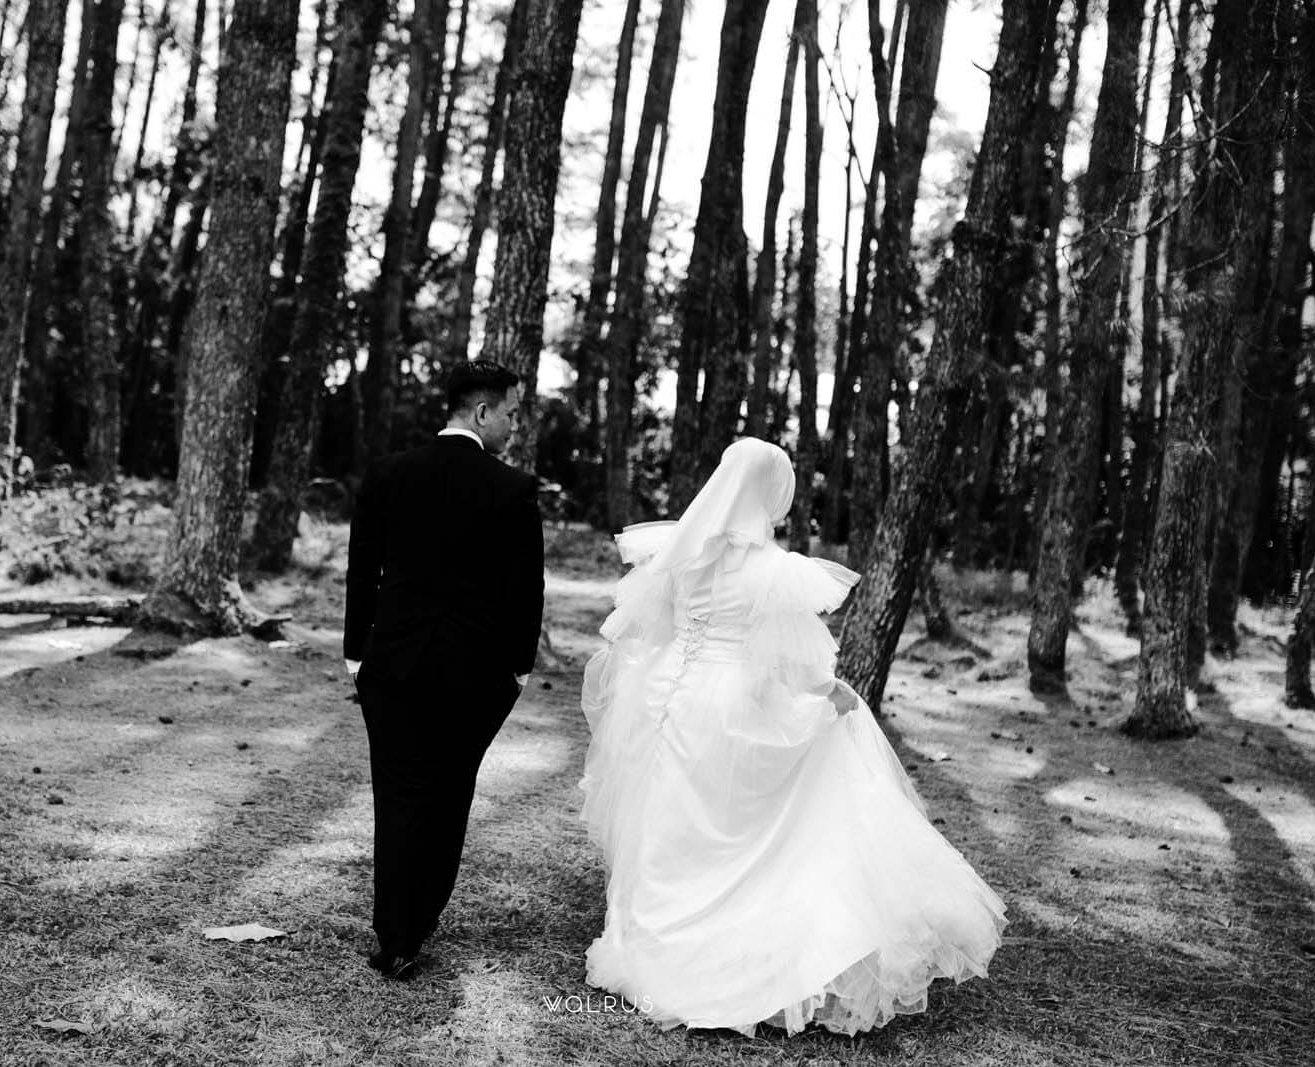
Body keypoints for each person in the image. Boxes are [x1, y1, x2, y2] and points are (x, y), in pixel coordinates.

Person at [579, 437, 1006, 1034]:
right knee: (751, 797)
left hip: (668, 696)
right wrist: (829, 695)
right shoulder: (774, 570)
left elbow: (654, 630)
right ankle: (728, 937)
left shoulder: (678, 551)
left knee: (670, 811)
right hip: (727, 699)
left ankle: (652, 930)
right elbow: (793, 661)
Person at [344, 360, 545, 981]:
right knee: (450, 796)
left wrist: (356, 654)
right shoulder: (513, 490)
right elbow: (526, 593)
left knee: (397, 796)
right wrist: (518, 670)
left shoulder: (389, 473)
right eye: (511, 413)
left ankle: (396, 935)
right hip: (475, 676)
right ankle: (417, 921)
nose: (515, 426)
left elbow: (362, 570)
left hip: (392, 666)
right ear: (482, 413)